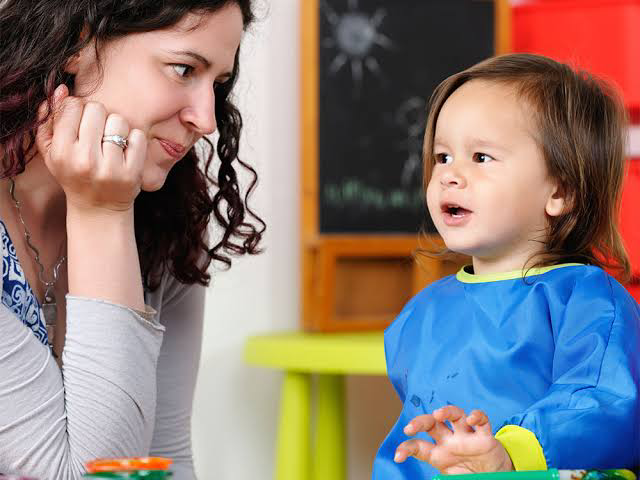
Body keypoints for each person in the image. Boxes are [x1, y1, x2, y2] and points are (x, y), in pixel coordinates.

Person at [0, 1, 264, 478]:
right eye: (183, 69)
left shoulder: (169, 221)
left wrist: (109, 211)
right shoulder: (119, 206)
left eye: (218, 84)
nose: (206, 118)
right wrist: (101, 214)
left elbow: (166, 458)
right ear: (78, 44)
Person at [372, 53, 640, 479]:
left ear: (561, 192)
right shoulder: (420, 314)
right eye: (442, 157)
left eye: (480, 158)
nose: (450, 175)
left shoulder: (586, 301)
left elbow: (601, 402)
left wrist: (510, 454)